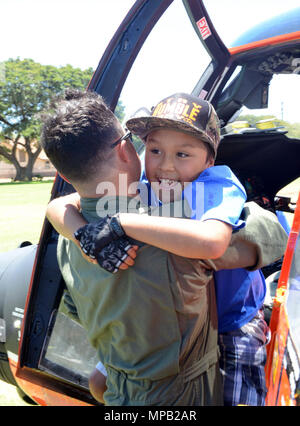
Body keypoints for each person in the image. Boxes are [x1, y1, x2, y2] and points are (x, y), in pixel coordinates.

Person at [44, 90, 287, 405]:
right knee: (98, 381)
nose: (166, 166)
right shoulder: (147, 183)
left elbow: (212, 241)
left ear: (209, 160)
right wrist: (84, 234)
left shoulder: (215, 185)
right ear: (129, 152)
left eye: (182, 154)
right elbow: (58, 206)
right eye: (155, 150)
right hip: (173, 335)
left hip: (232, 319)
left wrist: (119, 223)